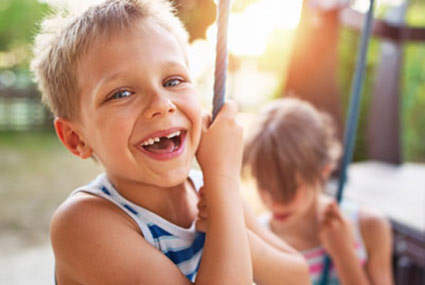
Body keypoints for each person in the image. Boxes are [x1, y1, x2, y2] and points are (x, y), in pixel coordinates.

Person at [31, 1, 310, 284]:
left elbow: (298, 277)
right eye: (122, 93)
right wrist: (224, 180)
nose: (162, 104)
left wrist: (231, 227)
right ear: (76, 138)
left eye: (173, 81)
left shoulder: (209, 189)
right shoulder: (83, 224)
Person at [243, 97, 394, 285]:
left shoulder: (368, 227)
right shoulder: (257, 242)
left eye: (289, 188)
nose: (274, 202)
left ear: (324, 171)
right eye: (264, 186)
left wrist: (345, 255)